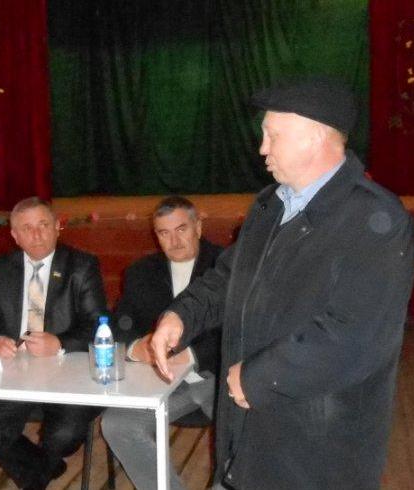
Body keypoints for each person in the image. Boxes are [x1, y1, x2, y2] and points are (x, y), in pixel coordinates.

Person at [151, 77, 414, 490]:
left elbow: (354, 335)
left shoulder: (373, 220)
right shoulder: (269, 206)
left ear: (314, 136)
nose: (262, 148)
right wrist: (181, 316)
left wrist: (257, 378)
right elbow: (228, 278)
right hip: (248, 440)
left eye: (273, 135)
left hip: (318, 454)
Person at [0, 196, 106, 490]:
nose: (36, 235)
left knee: (63, 437)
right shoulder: (0, 268)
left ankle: (41, 471)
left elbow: (97, 325)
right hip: (16, 371)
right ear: (15, 235)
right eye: (27, 228)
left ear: (58, 226)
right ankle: (44, 469)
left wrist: (59, 343)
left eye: (43, 225)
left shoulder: (81, 266)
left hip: (68, 371)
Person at [101, 196, 223, 490]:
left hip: (216, 377)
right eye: (164, 233)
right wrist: (137, 348)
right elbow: (120, 324)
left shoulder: (225, 266)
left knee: (246, 432)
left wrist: (191, 355)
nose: (174, 241)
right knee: (116, 424)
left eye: (181, 229)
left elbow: (237, 329)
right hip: (162, 381)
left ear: (198, 227)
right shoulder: (140, 272)